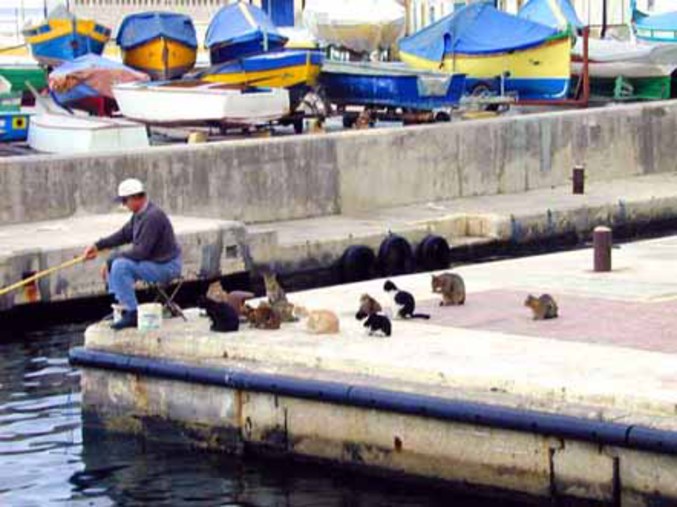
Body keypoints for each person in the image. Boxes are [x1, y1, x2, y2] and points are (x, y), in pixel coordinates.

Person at [83, 178, 182, 330]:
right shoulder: (139, 215)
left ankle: (132, 312)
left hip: (167, 266)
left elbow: (141, 252)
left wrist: (111, 260)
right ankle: (122, 307)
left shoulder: (152, 217)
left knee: (120, 265)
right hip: (154, 262)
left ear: (137, 198)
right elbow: (123, 235)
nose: (124, 205)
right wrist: (97, 245)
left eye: (125, 200)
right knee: (115, 261)